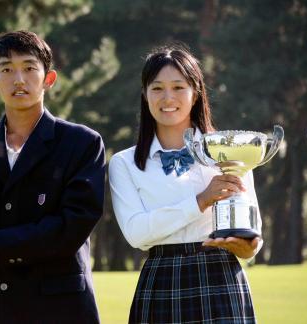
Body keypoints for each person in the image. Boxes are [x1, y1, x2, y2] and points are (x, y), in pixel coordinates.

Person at [0, 30, 104, 323]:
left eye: (29, 68)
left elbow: (74, 224)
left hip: (61, 308)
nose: (19, 79)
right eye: (7, 69)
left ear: (49, 79)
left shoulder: (81, 142)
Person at [108, 45, 263, 323]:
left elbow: (252, 233)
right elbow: (136, 233)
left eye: (178, 87)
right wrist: (201, 200)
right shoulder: (124, 162)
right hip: (161, 279)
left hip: (221, 277)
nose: (168, 98)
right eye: (157, 88)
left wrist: (249, 248)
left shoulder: (231, 152)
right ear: (145, 95)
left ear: (196, 93)